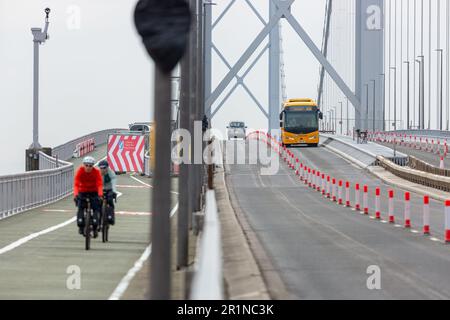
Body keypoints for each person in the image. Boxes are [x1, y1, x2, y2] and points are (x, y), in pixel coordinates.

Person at [74, 156, 103, 237]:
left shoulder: (96, 172)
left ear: (92, 166)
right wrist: (76, 195)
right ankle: (81, 226)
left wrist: (100, 195)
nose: (88, 167)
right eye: (86, 165)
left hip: (93, 192)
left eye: (90, 166)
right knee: (80, 207)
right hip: (82, 192)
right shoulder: (80, 171)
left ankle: (95, 227)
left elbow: (100, 184)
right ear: (84, 165)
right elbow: (76, 184)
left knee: (96, 208)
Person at [98, 160, 117, 225]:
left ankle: (111, 216)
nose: (103, 169)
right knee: (98, 204)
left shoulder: (111, 173)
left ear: (107, 167)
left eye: (104, 168)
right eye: (101, 168)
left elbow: (113, 182)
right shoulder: (97, 173)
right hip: (100, 189)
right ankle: (98, 220)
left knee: (110, 201)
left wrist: (114, 191)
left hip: (109, 189)